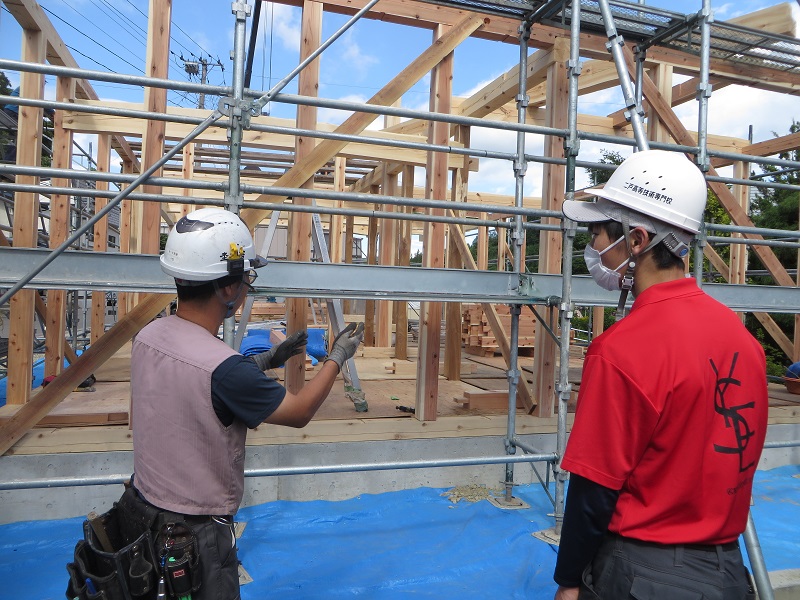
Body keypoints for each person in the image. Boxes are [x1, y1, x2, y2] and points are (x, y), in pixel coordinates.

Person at [552, 150, 768, 600]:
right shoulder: (741, 339)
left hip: (642, 572)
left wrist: (568, 582)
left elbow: (594, 490)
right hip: (727, 572)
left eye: (597, 233)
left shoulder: (621, 349)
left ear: (636, 240)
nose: (593, 247)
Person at [125, 207, 364, 599]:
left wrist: (267, 360)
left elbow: (199, 380)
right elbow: (299, 412)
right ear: (227, 289)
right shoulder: (224, 369)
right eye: (247, 279)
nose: (247, 289)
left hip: (139, 511)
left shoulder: (149, 336)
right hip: (194, 533)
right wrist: (337, 357)